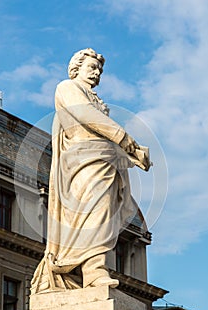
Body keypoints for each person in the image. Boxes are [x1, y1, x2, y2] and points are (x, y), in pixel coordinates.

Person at [31, 48, 151, 294]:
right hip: (82, 165)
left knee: (103, 214)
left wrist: (134, 153)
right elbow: (86, 117)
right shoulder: (67, 88)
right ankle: (94, 271)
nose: (97, 73)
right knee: (93, 213)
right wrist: (123, 136)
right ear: (76, 68)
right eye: (91, 67)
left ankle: (94, 269)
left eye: (99, 70)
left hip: (102, 162)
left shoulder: (95, 99)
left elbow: (102, 136)